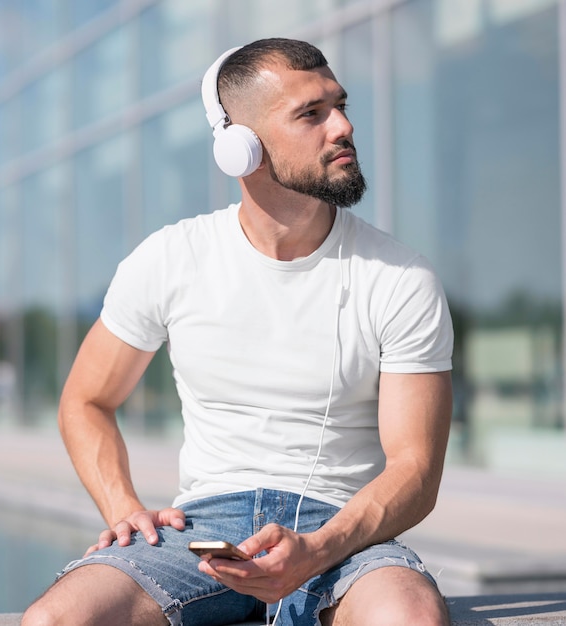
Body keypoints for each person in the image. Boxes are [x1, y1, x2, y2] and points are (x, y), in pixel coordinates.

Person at [22, 38, 453, 626]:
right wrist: (121, 505)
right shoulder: (171, 258)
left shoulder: (402, 277)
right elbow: (86, 399)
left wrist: (320, 548)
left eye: (340, 105)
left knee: (410, 618)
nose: (344, 127)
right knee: (54, 621)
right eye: (312, 113)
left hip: (345, 531)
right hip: (201, 531)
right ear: (238, 146)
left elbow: (416, 470)